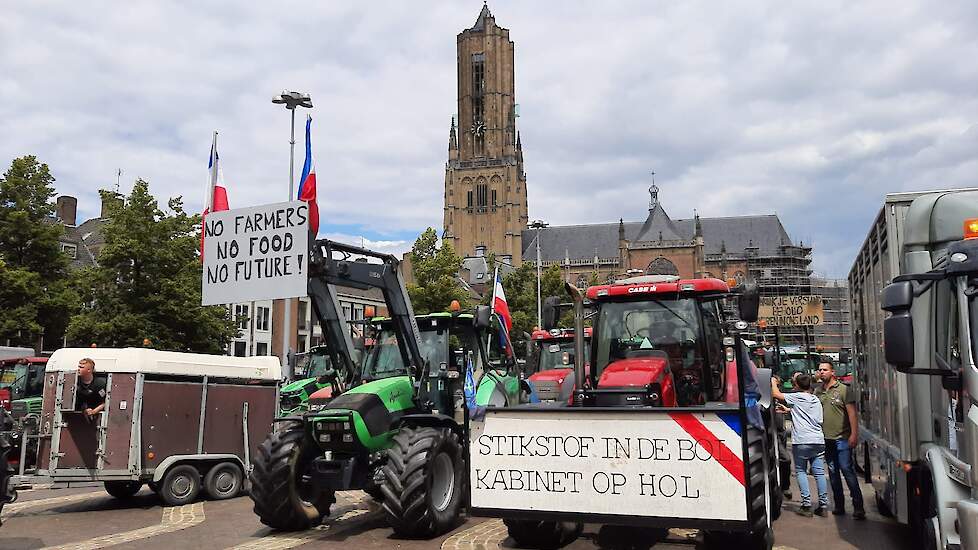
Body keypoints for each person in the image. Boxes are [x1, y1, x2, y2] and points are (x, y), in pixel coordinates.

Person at [771, 373, 828, 516]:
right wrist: (790, 410)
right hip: (818, 440)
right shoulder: (815, 399)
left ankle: (806, 505)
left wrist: (772, 382)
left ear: (796, 385)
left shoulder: (796, 397)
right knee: (819, 473)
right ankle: (823, 506)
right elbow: (811, 415)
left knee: (801, 471)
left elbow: (776, 394)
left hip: (802, 441)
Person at [816, 360, 865, 519]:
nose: (821, 372)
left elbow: (852, 414)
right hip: (826, 439)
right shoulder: (818, 392)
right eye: (820, 370)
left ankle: (858, 507)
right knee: (832, 473)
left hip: (842, 438)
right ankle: (839, 505)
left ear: (833, 372)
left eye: (825, 369)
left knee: (846, 470)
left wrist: (854, 434)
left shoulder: (844, 390)